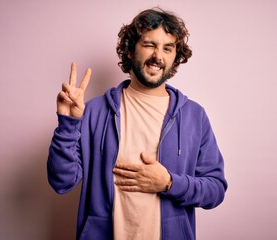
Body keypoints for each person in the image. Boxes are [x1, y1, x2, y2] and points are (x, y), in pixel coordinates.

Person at [47, 7, 227, 240]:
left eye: (167, 48)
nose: (158, 56)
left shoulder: (194, 116)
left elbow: (215, 190)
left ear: (175, 57)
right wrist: (68, 124)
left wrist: (169, 183)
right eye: (149, 45)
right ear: (130, 51)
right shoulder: (94, 111)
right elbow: (62, 182)